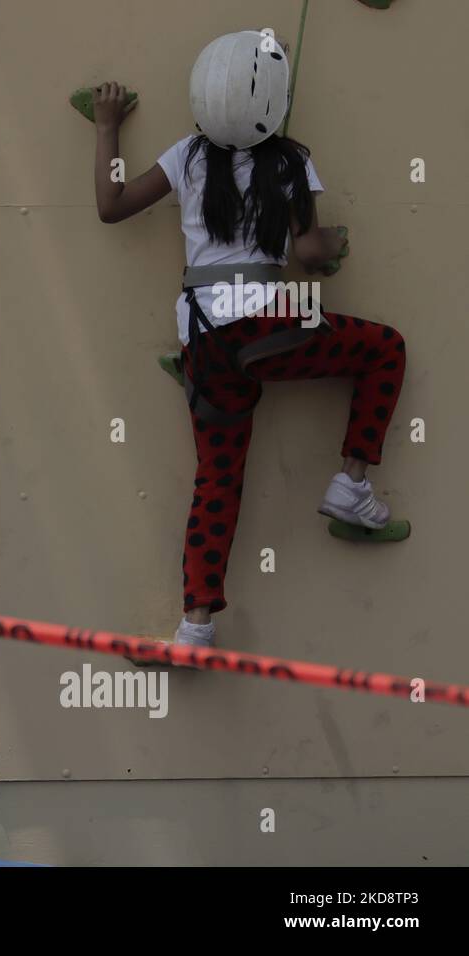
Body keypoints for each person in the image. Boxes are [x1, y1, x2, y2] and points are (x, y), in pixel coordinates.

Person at [87, 30, 406, 649]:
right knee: (384, 349)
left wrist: (106, 127)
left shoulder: (186, 155)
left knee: (218, 478)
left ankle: (195, 628)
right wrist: (330, 243)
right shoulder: (290, 159)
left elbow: (112, 204)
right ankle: (351, 483)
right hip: (270, 324)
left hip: (204, 341)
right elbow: (310, 256)